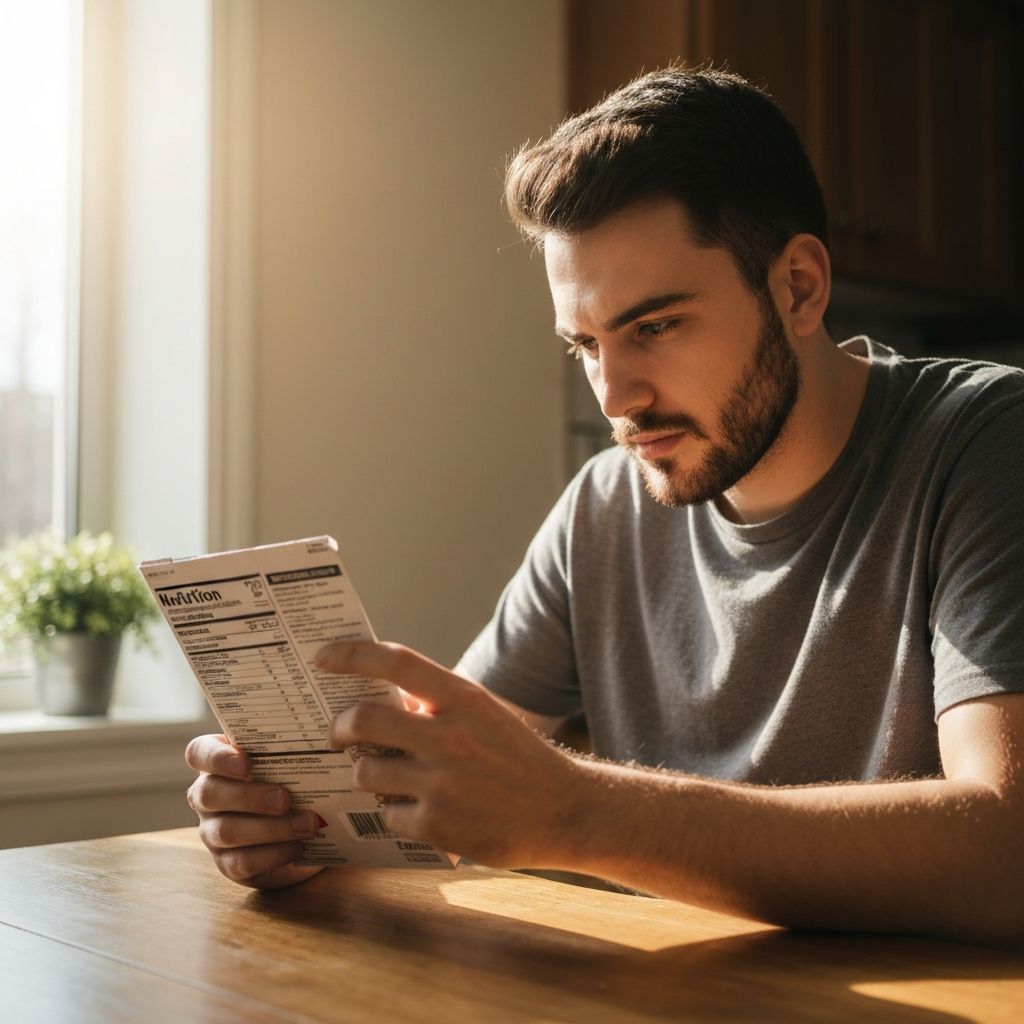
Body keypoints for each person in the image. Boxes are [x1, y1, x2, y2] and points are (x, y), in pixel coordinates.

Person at [185, 68, 1024, 945]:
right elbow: (460, 779)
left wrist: (580, 812)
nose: (615, 396)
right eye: (586, 344)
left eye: (655, 326)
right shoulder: (604, 502)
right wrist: (305, 823)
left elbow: (1008, 852)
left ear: (799, 288)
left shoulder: (985, 444)